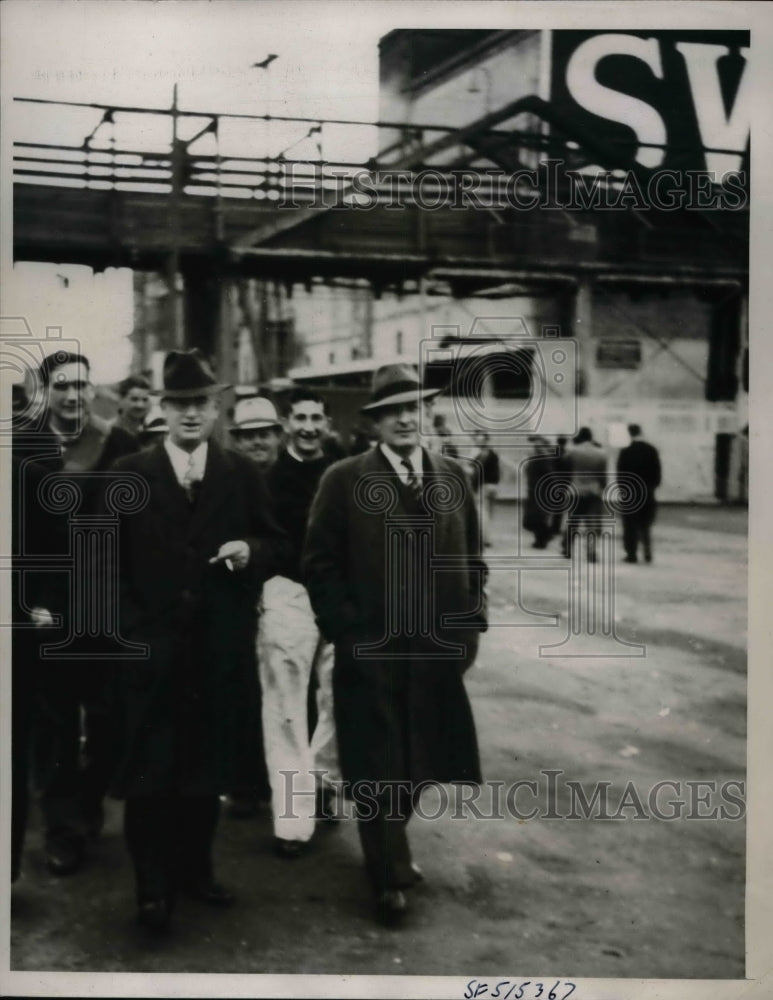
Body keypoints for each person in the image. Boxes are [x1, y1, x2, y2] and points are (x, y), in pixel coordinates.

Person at [107, 350, 286, 932]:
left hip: (217, 653)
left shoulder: (241, 474)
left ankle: (195, 871)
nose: (190, 413)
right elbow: (102, 567)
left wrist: (249, 552)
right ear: (163, 408)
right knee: (151, 778)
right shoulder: (130, 475)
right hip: (151, 655)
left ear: (216, 409)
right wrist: (132, 632)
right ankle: (152, 889)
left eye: (200, 403)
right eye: (179, 403)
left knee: (204, 775)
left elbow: (275, 543)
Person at [303, 363, 486, 925]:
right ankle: (387, 872)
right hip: (371, 650)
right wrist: (350, 632)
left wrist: (467, 630)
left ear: (427, 413)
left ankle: (390, 849)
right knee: (376, 761)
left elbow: (476, 558)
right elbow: (320, 563)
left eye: (413, 408)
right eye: (392, 412)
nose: (405, 419)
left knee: (418, 762)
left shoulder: (455, 475)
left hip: (435, 653)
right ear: (375, 424)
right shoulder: (343, 479)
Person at [13, 351, 138, 876]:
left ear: (94, 390)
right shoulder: (23, 444)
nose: (72, 396)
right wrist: (27, 601)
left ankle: (89, 806)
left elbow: (139, 527)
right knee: (56, 722)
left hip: (108, 603)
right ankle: (63, 830)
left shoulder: (121, 444)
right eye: (61, 386)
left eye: (81, 386)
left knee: (112, 719)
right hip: (50, 609)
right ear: (46, 392)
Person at [259, 388, 340, 858]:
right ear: (287, 424)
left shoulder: (344, 469)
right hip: (290, 592)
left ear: (327, 423)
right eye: (301, 418)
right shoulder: (271, 478)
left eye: (316, 417)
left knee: (338, 698)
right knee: (287, 706)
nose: (308, 426)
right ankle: (292, 820)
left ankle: (324, 783)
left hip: (340, 594)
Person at [616, 423, 662, 564]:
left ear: (629, 433)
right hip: (647, 491)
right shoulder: (651, 450)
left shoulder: (625, 451)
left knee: (630, 524)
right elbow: (657, 472)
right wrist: (652, 487)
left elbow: (620, 474)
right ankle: (647, 552)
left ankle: (632, 554)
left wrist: (623, 489)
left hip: (631, 492)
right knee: (646, 524)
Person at [565, 427, 607, 561]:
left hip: (576, 490)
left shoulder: (572, 452)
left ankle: (568, 549)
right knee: (591, 524)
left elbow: (566, 470)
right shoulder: (601, 453)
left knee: (573, 522)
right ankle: (591, 552)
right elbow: (602, 475)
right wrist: (602, 487)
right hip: (593, 491)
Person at [228, 395, 283, 471]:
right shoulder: (228, 480)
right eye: (249, 436)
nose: (257, 442)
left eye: (264, 435)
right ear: (237, 442)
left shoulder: (294, 478)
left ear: (278, 437)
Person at [522, 436, 554, 549]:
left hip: (540, 491)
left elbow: (549, 475)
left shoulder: (542, 458)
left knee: (540, 517)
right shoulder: (536, 458)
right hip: (535, 490)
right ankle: (539, 539)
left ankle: (542, 539)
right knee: (536, 517)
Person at [471, 431, 501, 547]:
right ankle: (487, 537)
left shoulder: (483, 454)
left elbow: (477, 473)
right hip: (493, 485)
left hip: (484, 486)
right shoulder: (492, 452)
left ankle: (485, 539)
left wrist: (473, 487)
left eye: (478, 440)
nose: (477, 442)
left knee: (482, 513)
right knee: (489, 513)